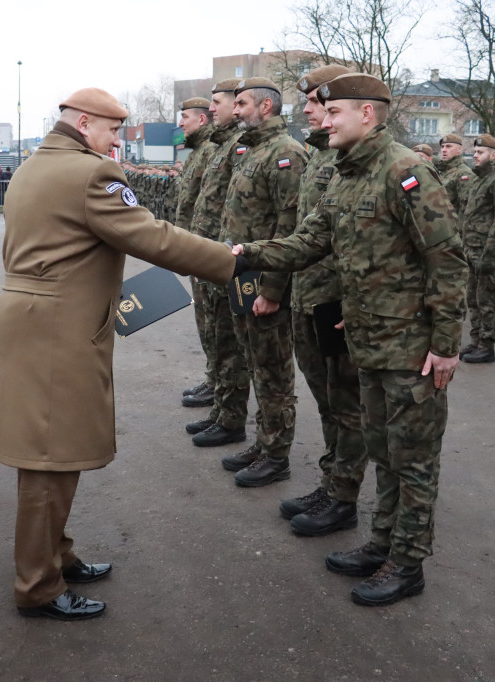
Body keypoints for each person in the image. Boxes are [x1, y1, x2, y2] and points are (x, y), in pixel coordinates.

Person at [0, 87, 235, 621]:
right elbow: (152, 237)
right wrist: (228, 260)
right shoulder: (91, 174)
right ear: (83, 122)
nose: (116, 141)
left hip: (35, 320)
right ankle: (38, 585)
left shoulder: (35, 165)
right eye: (112, 130)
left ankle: (56, 555)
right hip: (57, 329)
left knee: (53, 447)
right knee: (48, 459)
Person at [233, 72, 467, 607]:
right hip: (369, 339)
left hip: (412, 347)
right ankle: (382, 543)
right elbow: (309, 241)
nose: (324, 118)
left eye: (333, 111)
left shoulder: (406, 172)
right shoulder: (344, 174)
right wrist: (242, 253)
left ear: (367, 114)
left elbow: (447, 261)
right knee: (384, 451)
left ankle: (407, 564)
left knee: (413, 460)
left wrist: (447, 343)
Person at [279, 63, 368, 536]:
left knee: (347, 404)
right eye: (313, 103)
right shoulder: (321, 156)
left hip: (336, 303)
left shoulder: (352, 158)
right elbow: (305, 232)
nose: (310, 111)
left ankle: (344, 496)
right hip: (308, 296)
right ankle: (332, 480)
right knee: (327, 402)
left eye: (319, 103)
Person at [217, 76, 306, 487]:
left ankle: (276, 454)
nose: (235, 110)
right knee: (254, 361)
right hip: (241, 274)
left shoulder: (287, 153)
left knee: (273, 370)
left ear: (266, 107)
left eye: (242, 104)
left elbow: (291, 226)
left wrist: (273, 290)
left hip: (264, 277)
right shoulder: (254, 150)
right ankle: (262, 441)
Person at [185, 79, 251, 452]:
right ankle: (222, 405)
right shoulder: (220, 146)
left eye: (219, 102)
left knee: (231, 342)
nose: (214, 109)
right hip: (209, 254)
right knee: (216, 336)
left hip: (231, 259)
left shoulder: (240, 147)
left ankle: (231, 417)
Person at [174, 97, 218, 406]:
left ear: (201, 120)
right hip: (194, 246)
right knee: (205, 320)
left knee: (214, 324)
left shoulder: (211, 151)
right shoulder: (199, 153)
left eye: (185, 117)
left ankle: (219, 384)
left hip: (206, 249)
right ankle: (213, 378)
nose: (180, 123)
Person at [459, 134, 495, 364]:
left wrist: (490, 255)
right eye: (474, 152)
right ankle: (475, 341)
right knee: (472, 300)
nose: (475, 155)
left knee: (487, 301)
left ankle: (487, 346)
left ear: (494, 155)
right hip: (472, 251)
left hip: (486, 254)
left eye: (480, 152)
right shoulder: (478, 179)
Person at [436, 134, 471, 214]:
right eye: (442, 147)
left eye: (448, 147)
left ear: (459, 149)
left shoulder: (464, 173)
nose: (444, 150)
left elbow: (465, 207)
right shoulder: (442, 171)